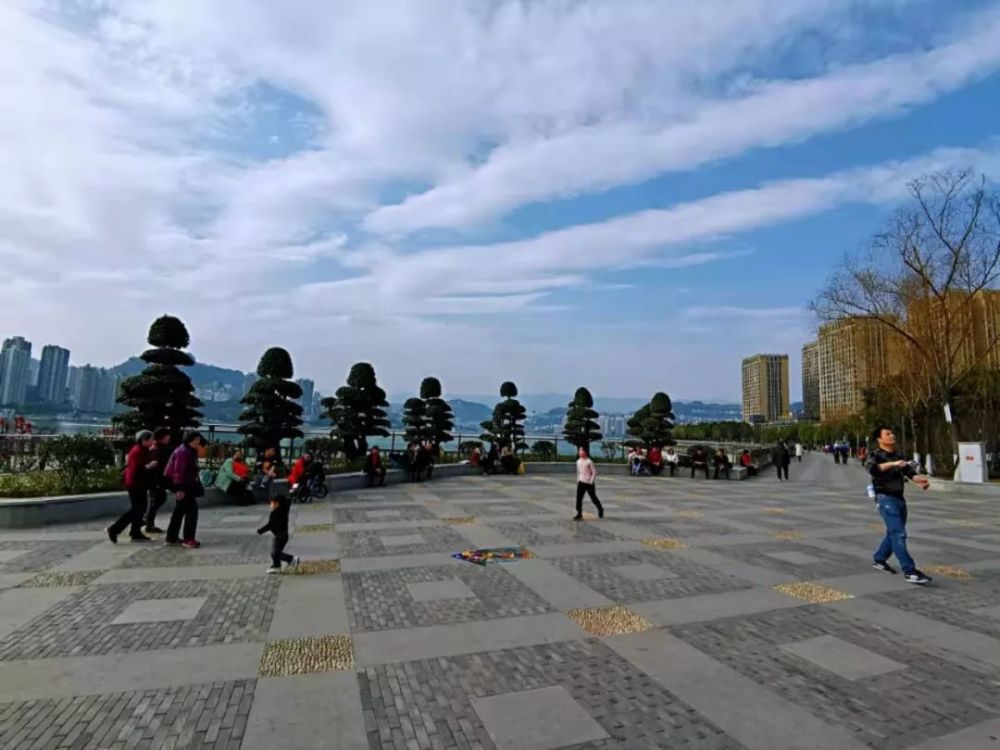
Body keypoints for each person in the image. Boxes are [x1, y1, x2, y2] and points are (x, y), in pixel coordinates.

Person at [867, 425, 932, 585]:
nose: (892, 435)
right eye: (887, 434)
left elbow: (910, 473)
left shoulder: (898, 455)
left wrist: (920, 481)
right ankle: (909, 571)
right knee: (899, 534)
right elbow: (873, 469)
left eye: (892, 433)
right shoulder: (875, 455)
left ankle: (879, 559)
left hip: (899, 498)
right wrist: (894, 464)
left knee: (894, 533)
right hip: (885, 499)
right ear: (879, 439)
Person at [107, 430, 156, 543]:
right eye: (151, 439)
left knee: (141, 508)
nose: (152, 442)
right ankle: (115, 529)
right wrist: (148, 466)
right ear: (144, 440)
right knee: (137, 509)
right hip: (135, 484)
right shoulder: (138, 451)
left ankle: (135, 532)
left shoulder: (143, 450)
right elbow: (136, 471)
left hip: (139, 484)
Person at [163, 431, 205, 548]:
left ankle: (171, 537)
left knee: (180, 510)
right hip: (182, 485)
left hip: (185, 484)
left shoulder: (189, 450)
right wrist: (179, 489)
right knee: (192, 511)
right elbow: (178, 471)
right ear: (190, 440)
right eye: (196, 439)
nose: (198, 441)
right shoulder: (183, 452)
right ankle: (188, 539)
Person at [257, 493, 299, 574]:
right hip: (283, 535)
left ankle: (292, 559)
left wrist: (260, 531)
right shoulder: (283, 509)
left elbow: (270, 525)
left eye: (272, 503)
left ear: (277, 504)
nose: (270, 504)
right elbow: (288, 501)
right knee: (275, 552)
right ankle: (277, 566)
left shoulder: (275, 513)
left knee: (275, 553)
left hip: (280, 536)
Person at [144, 427, 172, 534]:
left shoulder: (160, 447)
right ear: (163, 437)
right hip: (155, 480)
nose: (169, 437)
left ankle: (148, 522)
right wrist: (156, 482)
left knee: (158, 499)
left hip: (158, 480)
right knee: (157, 500)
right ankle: (148, 523)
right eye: (167, 435)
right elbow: (154, 466)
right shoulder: (156, 449)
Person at [573, 448, 604, 520]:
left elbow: (594, 472)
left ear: (585, 452)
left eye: (582, 450)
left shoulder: (589, 461)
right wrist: (578, 479)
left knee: (593, 497)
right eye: (579, 450)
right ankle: (579, 513)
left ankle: (600, 509)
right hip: (581, 482)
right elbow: (578, 472)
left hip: (589, 483)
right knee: (579, 498)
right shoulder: (578, 461)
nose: (580, 452)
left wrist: (591, 481)